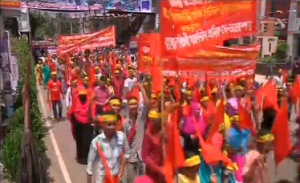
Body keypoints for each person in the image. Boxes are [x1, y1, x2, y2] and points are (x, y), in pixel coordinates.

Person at [86, 111, 130, 183]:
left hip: (116, 178)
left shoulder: (121, 137)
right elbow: (89, 168)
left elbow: (127, 153)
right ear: (102, 125)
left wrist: (122, 166)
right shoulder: (96, 142)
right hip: (101, 179)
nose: (112, 127)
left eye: (114, 124)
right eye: (109, 124)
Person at [142, 110, 165, 183]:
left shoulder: (164, 130)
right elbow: (145, 156)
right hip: (152, 171)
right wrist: (158, 169)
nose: (152, 123)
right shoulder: (148, 134)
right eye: (151, 120)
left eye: (154, 121)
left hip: (164, 167)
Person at [71, 88, 93, 164]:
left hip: (87, 124)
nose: (82, 97)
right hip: (78, 125)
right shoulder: (76, 101)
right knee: (79, 141)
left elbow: (91, 113)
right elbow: (72, 112)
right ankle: (80, 157)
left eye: (84, 95)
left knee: (87, 141)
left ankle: (87, 158)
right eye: (81, 95)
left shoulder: (89, 102)